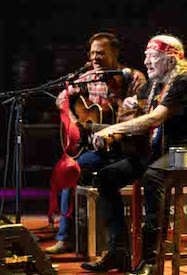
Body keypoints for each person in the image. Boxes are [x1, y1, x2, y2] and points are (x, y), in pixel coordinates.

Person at [89, 34, 187, 275]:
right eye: (146, 56)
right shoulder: (154, 83)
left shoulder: (184, 80)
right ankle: (118, 251)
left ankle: (152, 261)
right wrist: (105, 129)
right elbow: (132, 113)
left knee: (153, 177)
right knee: (107, 176)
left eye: (152, 57)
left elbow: (155, 118)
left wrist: (113, 131)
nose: (146, 62)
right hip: (163, 150)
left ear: (170, 59)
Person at [46, 32, 146, 256]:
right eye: (92, 53)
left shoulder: (133, 78)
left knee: (108, 179)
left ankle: (118, 246)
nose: (95, 57)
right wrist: (73, 122)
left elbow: (141, 113)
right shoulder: (89, 77)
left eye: (100, 53)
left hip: (126, 150)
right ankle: (64, 238)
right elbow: (61, 98)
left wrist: (119, 101)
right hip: (97, 149)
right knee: (70, 170)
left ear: (115, 52)